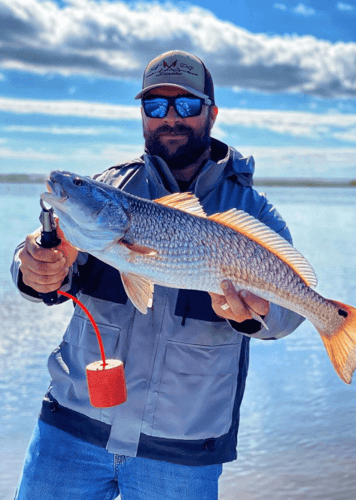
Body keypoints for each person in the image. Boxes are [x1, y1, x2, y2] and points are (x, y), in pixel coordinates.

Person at [11, 50, 305, 500]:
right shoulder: (109, 187)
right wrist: (33, 266)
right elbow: (38, 256)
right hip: (70, 431)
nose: (170, 118)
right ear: (142, 114)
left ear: (212, 112)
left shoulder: (254, 211)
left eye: (185, 105)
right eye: (154, 106)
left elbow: (292, 309)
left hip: (182, 452)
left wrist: (255, 315)